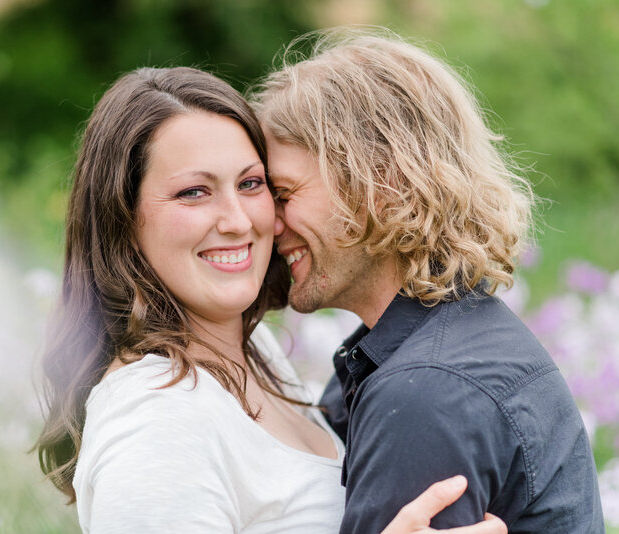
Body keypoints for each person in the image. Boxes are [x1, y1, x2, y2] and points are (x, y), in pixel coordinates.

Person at [34, 66, 507, 533]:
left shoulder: (257, 353)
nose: (238, 220)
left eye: (250, 184)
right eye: (194, 192)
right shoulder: (157, 421)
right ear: (124, 224)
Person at [251, 29, 605, 533]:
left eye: (284, 193)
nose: (271, 222)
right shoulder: (438, 348)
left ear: (380, 183)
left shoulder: (426, 393)